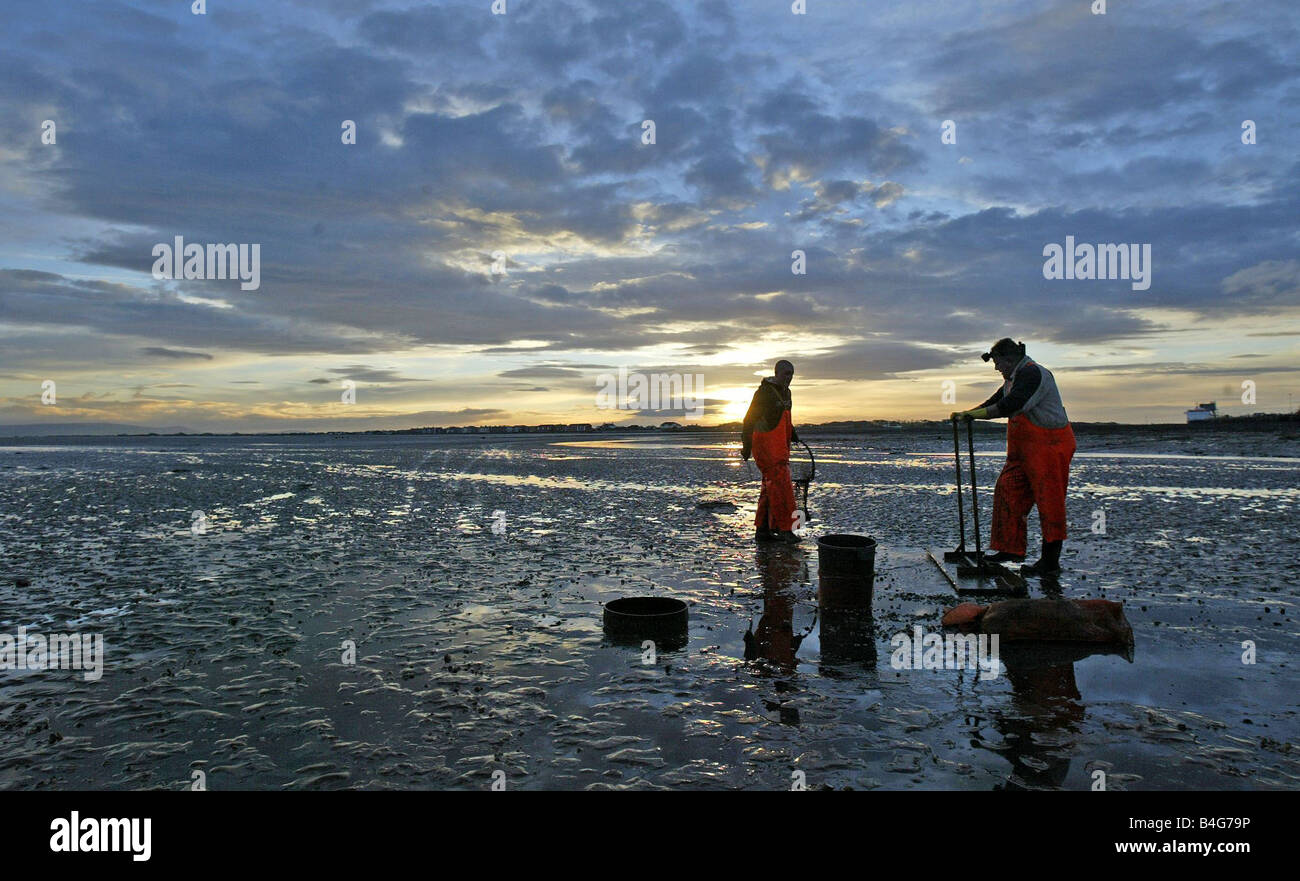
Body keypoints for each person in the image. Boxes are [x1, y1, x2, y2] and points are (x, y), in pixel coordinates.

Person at [950, 338, 1076, 576]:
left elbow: (1012, 405)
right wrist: (969, 414)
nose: (997, 368)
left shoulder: (1032, 374)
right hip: (1023, 451)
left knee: (1050, 503)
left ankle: (1050, 562)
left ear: (1009, 359)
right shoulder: (1013, 378)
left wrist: (976, 415)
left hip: (1050, 446)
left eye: (998, 363)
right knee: (1007, 490)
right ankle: (1011, 549)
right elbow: (996, 401)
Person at [741, 360, 800, 543]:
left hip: (781, 445)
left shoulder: (787, 393)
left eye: (791, 374)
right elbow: (749, 419)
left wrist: (793, 434)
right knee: (781, 486)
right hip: (766, 446)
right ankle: (785, 530)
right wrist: (746, 446)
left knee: (770, 487)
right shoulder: (764, 393)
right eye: (786, 374)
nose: (789, 378)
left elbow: (786, 419)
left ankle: (763, 530)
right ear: (777, 373)